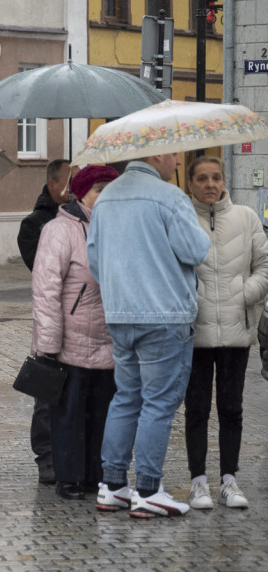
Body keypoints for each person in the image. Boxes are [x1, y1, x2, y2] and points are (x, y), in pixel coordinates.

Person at [87, 153, 210, 518]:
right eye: (173, 154)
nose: (176, 160)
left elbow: (95, 260)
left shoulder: (106, 197)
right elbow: (196, 250)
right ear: (156, 155)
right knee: (159, 401)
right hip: (164, 315)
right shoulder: (169, 197)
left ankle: (112, 486)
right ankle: (148, 489)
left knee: (126, 397)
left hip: (121, 314)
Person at [31, 165, 119, 501]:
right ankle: (68, 476)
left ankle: (96, 475)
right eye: (98, 189)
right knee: (68, 413)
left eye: (110, 188)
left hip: (110, 340)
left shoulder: (118, 227)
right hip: (70, 342)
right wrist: (49, 343)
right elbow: (46, 290)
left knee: (102, 414)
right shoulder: (58, 230)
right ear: (80, 193)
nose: (105, 195)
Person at [185, 156, 268, 510]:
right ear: (190, 183)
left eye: (216, 177)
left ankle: (229, 480)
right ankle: (198, 481)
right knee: (197, 409)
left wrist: (244, 294)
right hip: (196, 330)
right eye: (202, 178)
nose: (210, 184)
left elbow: (264, 265)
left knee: (231, 408)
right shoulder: (182, 219)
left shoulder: (246, 218)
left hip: (236, 329)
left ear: (224, 181)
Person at [17, 158, 71, 485]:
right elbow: (45, 275)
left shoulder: (86, 219)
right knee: (48, 391)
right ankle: (46, 456)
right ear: (52, 184)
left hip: (84, 320)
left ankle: (71, 452)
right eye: (66, 181)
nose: (72, 188)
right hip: (51, 318)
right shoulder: (34, 225)